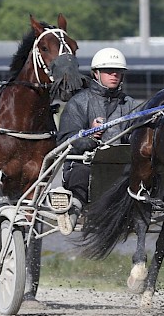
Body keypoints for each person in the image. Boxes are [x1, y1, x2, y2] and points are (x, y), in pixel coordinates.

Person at [56, 47, 138, 227]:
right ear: (96, 73)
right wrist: (88, 136)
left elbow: (139, 138)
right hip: (85, 165)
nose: (114, 75)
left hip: (121, 167)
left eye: (118, 72)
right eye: (108, 71)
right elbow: (64, 141)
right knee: (81, 173)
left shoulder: (131, 104)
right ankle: (72, 211)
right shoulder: (78, 102)